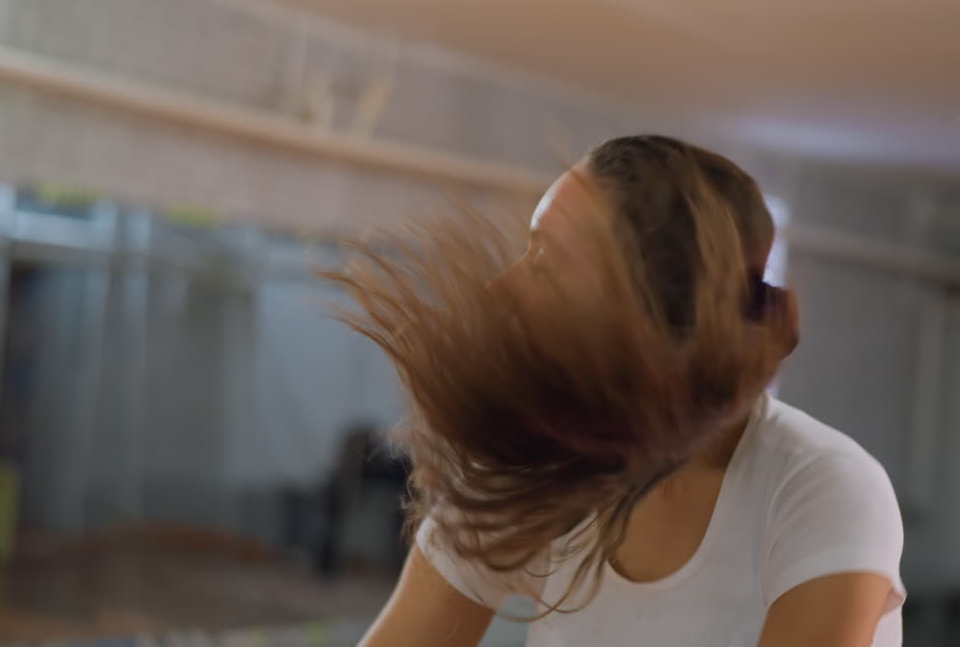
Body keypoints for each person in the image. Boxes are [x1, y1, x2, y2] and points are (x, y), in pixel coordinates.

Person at [330, 135, 905, 647]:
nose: (503, 288)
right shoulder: (529, 476)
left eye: (547, 261)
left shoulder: (821, 488)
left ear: (650, 302)